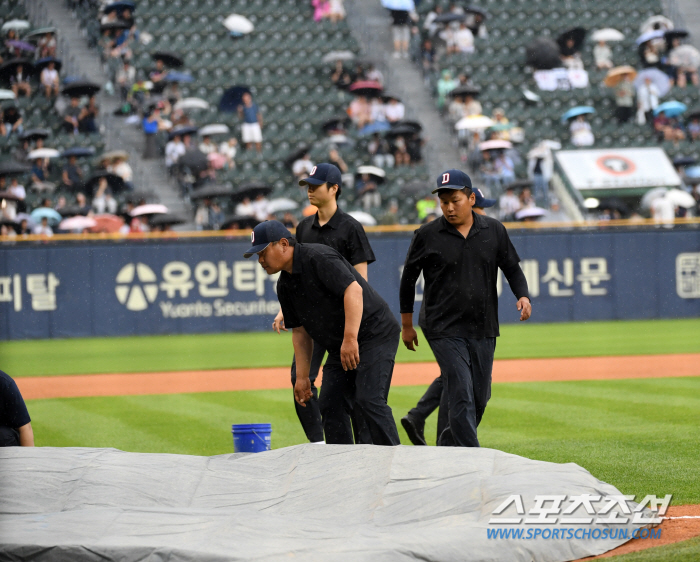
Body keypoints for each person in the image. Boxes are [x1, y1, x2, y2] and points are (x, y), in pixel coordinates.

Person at [399, 169, 531, 447]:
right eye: (443, 201)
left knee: (480, 397)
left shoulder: (493, 229)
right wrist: (407, 325)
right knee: (460, 389)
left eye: (455, 200)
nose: (448, 207)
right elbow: (408, 281)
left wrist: (523, 295)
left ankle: (448, 445)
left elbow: (511, 268)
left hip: (482, 325)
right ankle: (474, 456)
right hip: (442, 327)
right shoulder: (427, 234)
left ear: (471, 198)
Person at [250, 220, 400, 446]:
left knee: (369, 401)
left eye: (263, 252)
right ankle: (342, 467)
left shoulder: (317, 257)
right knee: (330, 404)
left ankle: (395, 463)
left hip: (374, 333)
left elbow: (354, 290)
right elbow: (300, 332)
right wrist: (302, 378)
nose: (260, 260)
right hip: (342, 343)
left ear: (283, 244)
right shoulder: (285, 284)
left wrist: (350, 338)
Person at [273, 163, 377, 445]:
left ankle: (363, 449)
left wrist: (353, 331)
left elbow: (360, 283)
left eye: (316, 186)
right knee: (301, 379)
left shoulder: (350, 228)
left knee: (352, 389)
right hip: (312, 321)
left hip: (345, 323)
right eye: (308, 186)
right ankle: (319, 445)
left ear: (334, 189)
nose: (309, 191)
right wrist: (287, 309)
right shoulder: (304, 227)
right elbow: (295, 276)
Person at [401, 187, 497, 445]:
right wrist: (407, 324)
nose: (485, 212)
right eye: (482, 207)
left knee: (458, 381)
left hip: (465, 323)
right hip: (441, 319)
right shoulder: (440, 235)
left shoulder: (484, 234)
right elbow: (410, 279)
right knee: (458, 382)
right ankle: (452, 443)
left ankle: (429, 425)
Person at [0, 370, 34, 447]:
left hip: (4, 445)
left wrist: (28, 458)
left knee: (3, 436)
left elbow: (25, 428)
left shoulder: (5, 383)